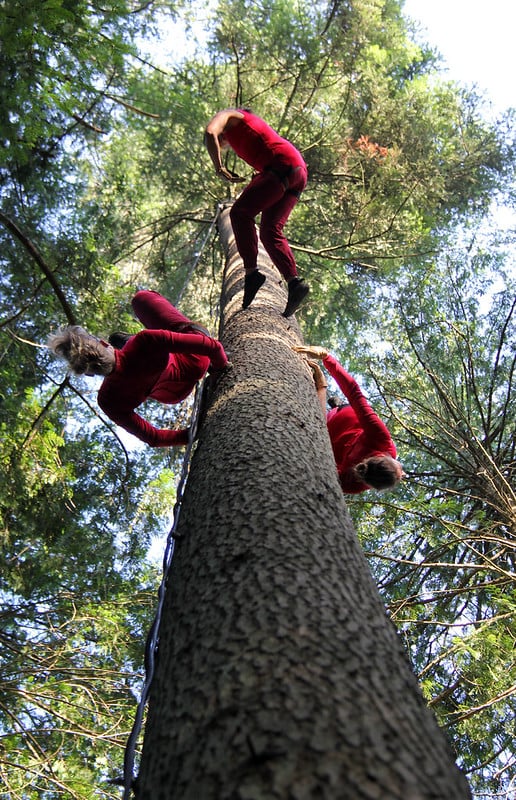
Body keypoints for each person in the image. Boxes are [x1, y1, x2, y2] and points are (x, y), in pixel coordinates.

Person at [48, 290, 229, 447]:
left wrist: (192, 434)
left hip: (175, 393)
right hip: (197, 359)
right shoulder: (144, 341)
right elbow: (211, 347)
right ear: (104, 344)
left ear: (87, 372)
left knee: (146, 350)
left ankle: (127, 344)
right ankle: (126, 342)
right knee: (142, 299)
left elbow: (154, 438)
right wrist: (220, 368)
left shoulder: (108, 400)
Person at [205, 108, 309, 316]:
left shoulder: (231, 115)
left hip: (282, 164)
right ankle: (295, 282)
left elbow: (209, 133)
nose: (224, 145)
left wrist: (219, 168)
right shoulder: (243, 134)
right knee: (270, 231)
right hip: (297, 173)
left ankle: (252, 273)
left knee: (239, 213)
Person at [293, 345, 404, 494]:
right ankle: (336, 404)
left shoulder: (351, 484)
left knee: (317, 424)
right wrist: (326, 357)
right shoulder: (381, 439)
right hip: (344, 415)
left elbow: (317, 438)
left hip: (325, 429)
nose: (403, 474)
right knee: (337, 408)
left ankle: (331, 404)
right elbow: (355, 396)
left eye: (399, 473)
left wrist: (321, 387)